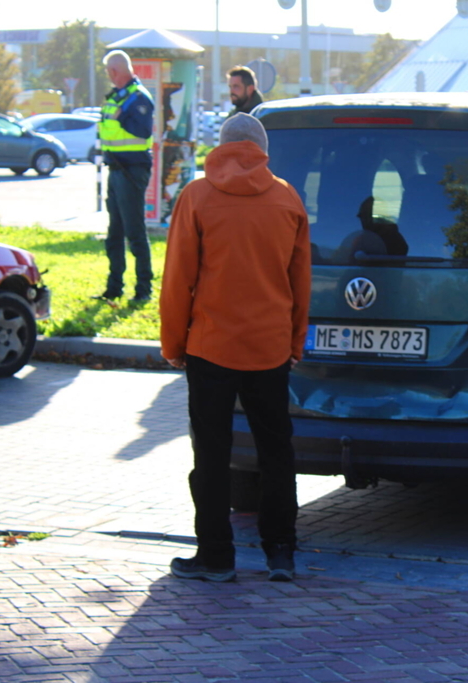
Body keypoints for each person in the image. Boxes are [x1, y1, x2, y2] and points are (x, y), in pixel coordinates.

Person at [161, 113, 311, 583]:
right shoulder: (287, 198)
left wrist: (173, 343)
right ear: (262, 149)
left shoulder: (197, 197)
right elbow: (299, 281)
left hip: (211, 345)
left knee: (211, 453)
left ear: (221, 146)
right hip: (268, 347)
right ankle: (281, 551)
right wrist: (294, 341)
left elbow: (178, 278)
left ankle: (216, 556)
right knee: (276, 450)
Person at [98, 50, 155, 302]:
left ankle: (144, 289)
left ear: (115, 71)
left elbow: (142, 131)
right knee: (115, 234)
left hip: (132, 172)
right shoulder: (120, 97)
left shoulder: (138, 97)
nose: (109, 76)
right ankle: (114, 288)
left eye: (110, 71)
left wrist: (122, 120)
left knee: (134, 233)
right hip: (116, 169)